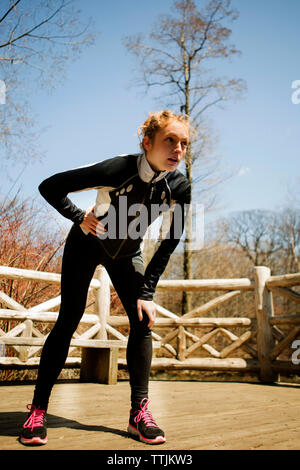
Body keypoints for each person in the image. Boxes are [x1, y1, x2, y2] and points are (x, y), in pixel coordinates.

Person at [19, 109, 191, 446]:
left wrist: (148, 291)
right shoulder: (118, 168)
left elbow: (170, 240)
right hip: (87, 244)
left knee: (142, 320)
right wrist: (77, 216)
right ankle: (37, 410)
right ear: (147, 142)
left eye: (184, 143)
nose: (178, 149)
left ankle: (139, 414)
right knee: (69, 318)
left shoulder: (179, 186)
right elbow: (50, 186)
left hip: (129, 254)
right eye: (170, 140)